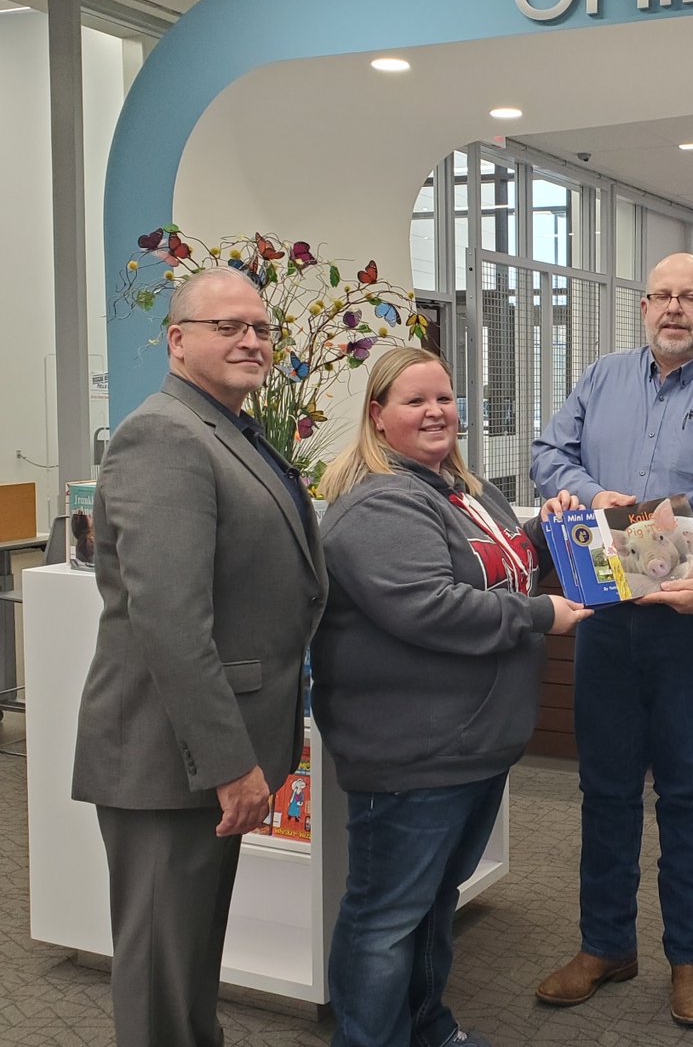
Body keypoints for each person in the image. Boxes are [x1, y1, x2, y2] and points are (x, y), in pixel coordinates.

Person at [72, 268, 327, 1047]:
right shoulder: (164, 437)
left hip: (199, 752)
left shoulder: (226, 426)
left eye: (260, 327)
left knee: (186, 966)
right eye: (229, 326)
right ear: (178, 340)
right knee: (162, 980)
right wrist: (228, 762)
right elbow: (171, 622)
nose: (251, 339)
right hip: (169, 758)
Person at [310, 346, 592, 1047]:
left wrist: (550, 530)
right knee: (384, 918)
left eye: (444, 398)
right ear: (377, 416)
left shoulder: (456, 486)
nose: (436, 412)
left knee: (431, 904)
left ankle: (425, 1028)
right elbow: (429, 606)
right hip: (413, 750)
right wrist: (540, 617)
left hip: (468, 744)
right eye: (415, 401)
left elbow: (495, 564)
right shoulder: (379, 502)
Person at [530, 252, 693, 1027]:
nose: (675, 309)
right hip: (605, 618)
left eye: (692, 299)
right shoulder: (601, 378)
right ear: (644, 306)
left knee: (686, 793)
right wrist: (583, 488)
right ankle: (605, 945)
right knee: (603, 789)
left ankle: (689, 959)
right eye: (664, 296)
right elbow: (548, 455)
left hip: (689, 627)